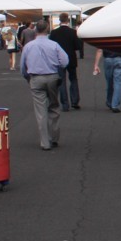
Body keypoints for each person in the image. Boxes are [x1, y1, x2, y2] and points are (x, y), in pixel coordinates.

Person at [19, 20, 69, 150]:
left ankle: (45, 142)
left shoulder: (28, 46)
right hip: (52, 76)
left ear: (35, 30)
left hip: (36, 77)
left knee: (40, 111)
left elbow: (22, 67)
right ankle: (55, 137)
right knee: (53, 106)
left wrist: (27, 77)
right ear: (48, 30)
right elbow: (65, 61)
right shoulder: (54, 45)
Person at [49, 13, 80, 111]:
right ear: (68, 20)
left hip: (58, 59)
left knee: (62, 81)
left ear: (59, 20)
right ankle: (75, 101)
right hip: (71, 58)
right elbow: (78, 46)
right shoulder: (73, 32)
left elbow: (51, 46)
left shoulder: (54, 33)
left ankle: (65, 104)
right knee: (73, 79)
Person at [92, 47, 121, 113]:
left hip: (108, 59)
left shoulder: (104, 36)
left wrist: (96, 65)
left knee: (109, 82)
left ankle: (109, 101)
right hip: (119, 58)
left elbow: (99, 50)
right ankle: (115, 104)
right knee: (118, 83)